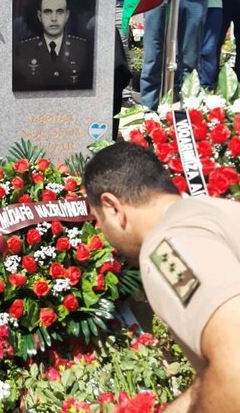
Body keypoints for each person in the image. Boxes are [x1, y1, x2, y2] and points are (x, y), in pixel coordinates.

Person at [84, 141, 240, 412]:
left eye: (97, 217)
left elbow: (235, 368)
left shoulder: (166, 246)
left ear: (111, 206)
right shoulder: (214, 211)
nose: (98, 228)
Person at [13, 0, 91, 91]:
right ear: (39, 16)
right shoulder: (25, 49)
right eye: (48, 12)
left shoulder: (82, 48)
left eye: (59, 12)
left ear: (67, 16)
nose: (54, 18)